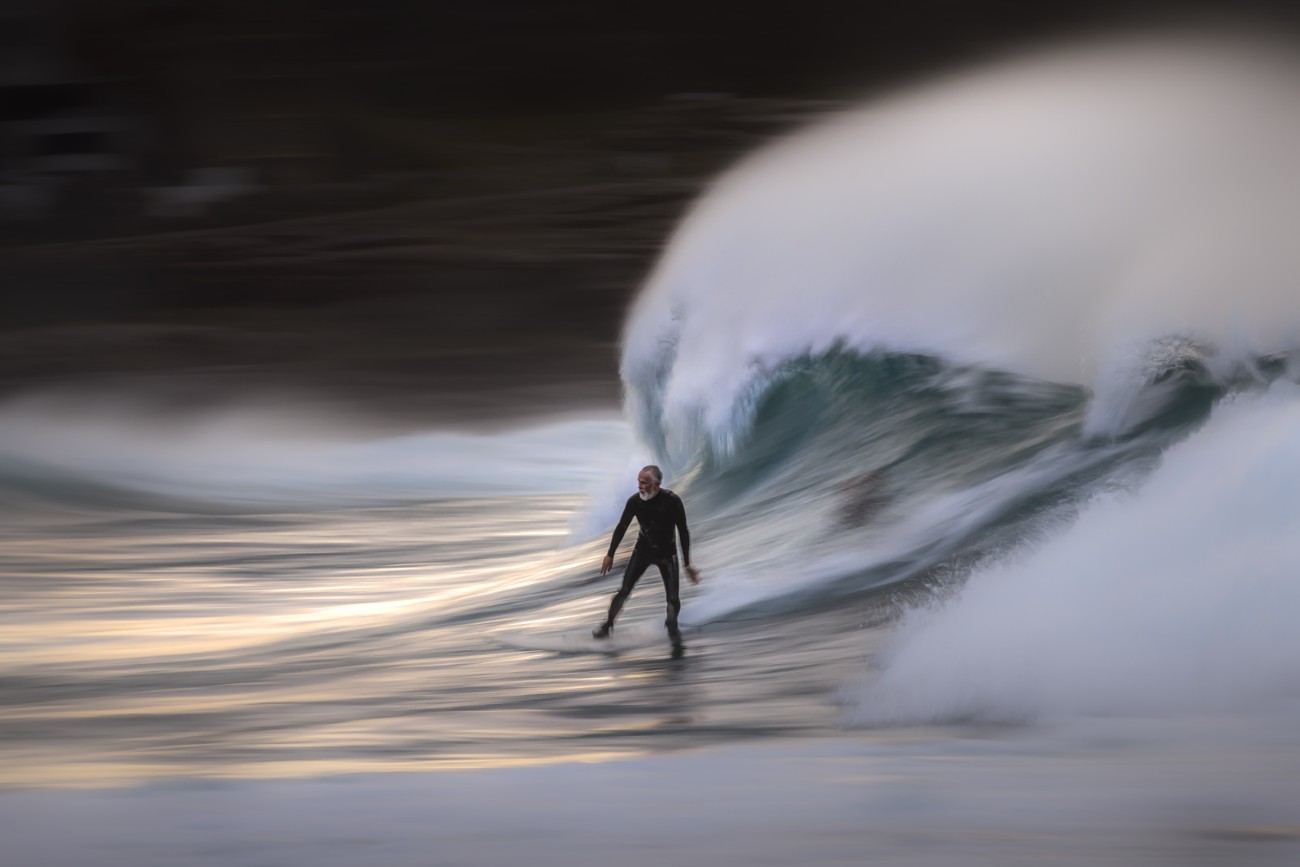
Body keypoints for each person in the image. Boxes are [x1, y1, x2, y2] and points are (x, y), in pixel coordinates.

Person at [594, 465, 700, 639]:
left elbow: (683, 531)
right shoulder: (635, 502)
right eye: (639, 482)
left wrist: (687, 563)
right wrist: (610, 554)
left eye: (644, 483)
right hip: (642, 551)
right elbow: (621, 527)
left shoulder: (672, 501)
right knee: (624, 591)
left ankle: (672, 627)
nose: (640, 486)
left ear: (656, 484)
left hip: (667, 554)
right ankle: (607, 625)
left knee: (673, 599)